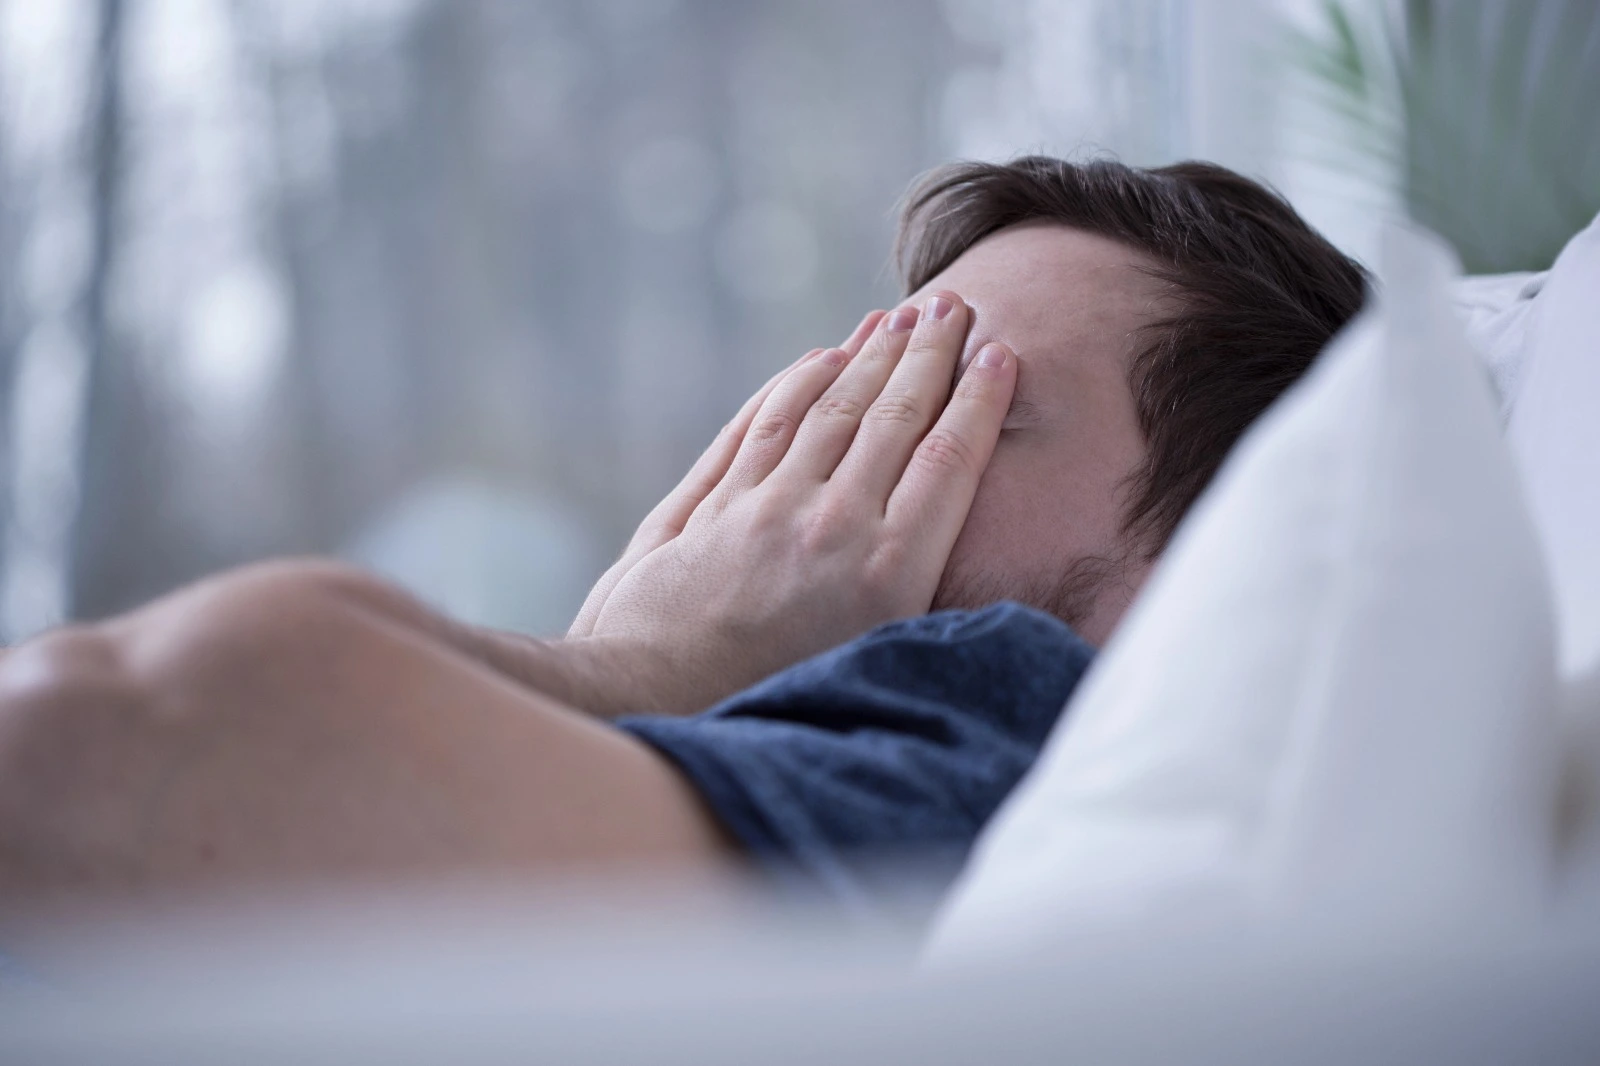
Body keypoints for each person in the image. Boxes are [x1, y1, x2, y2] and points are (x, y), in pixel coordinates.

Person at [0, 157, 1366, 916]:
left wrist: (639, 660)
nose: (817, 449)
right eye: (855, 383)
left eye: (945, 402)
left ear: (1205, 557)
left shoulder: (995, 712)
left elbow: (96, 744)